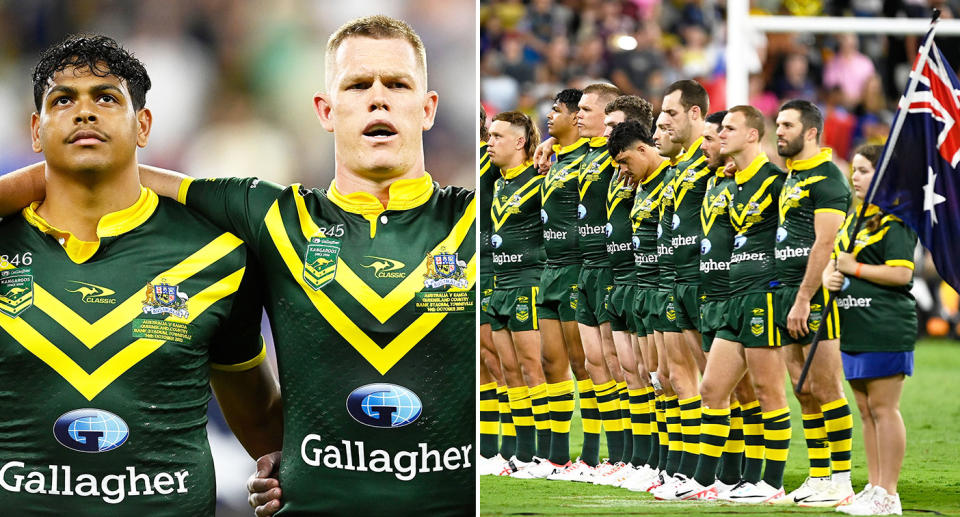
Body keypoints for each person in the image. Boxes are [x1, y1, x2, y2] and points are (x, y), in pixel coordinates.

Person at [2, 16, 476, 516]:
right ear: (325, 109)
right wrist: (60, 167)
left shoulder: (472, 216)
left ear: (428, 109)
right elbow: (139, 176)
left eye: (397, 84)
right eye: (358, 84)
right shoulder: (271, 215)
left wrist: (281, 462)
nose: (378, 98)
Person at [0, 34, 282, 515]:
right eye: (62, 99)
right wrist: (28, 183)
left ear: (143, 125)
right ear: (35, 129)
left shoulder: (217, 255)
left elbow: (266, 431)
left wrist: (281, 476)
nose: (84, 112)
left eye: (106, 98)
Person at [700, 105, 791, 504]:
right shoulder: (732, 182)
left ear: (753, 136)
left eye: (730, 129)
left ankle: (772, 482)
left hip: (763, 296)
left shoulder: (775, 181)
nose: (722, 134)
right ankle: (709, 480)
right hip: (733, 296)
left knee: (768, 390)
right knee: (711, 389)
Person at [773, 99, 855, 507]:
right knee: (802, 388)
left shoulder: (827, 178)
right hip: (787, 291)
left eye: (787, 125)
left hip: (815, 294)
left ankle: (841, 480)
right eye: (776, 124)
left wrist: (805, 298)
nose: (779, 131)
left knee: (825, 386)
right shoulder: (793, 175)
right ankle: (819, 476)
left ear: (810, 132)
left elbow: (825, 243)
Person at [827, 144, 916, 517]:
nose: (855, 177)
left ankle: (889, 494)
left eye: (864, 170)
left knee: (883, 407)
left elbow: (901, 274)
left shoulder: (896, 221)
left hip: (884, 324)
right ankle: (875, 486)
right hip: (854, 324)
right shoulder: (854, 219)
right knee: (864, 409)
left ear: (883, 176)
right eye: (856, 170)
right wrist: (830, 275)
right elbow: (837, 261)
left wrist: (852, 269)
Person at [514, 89, 592, 479]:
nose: (548, 115)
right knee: (551, 363)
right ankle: (558, 456)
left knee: (584, 364)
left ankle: (594, 456)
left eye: (556, 111)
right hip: (550, 269)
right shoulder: (555, 159)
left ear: (577, 117)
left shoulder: (592, 160)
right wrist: (548, 144)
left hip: (578, 270)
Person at [650, 79, 714, 501]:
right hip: (675, 280)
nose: (664, 123)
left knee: (719, 384)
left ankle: (739, 474)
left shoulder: (711, 159)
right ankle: (693, 470)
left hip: (707, 283)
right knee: (676, 377)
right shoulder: (678, 167)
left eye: (671, 114)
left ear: (695, 114)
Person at [592, 95, 657, 487]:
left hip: (647, 280)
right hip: (616, 278)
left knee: (656, 374)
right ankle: (637, 459)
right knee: (627, 370)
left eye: (612, 126)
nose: (605, 134)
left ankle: (659, 461)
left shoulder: (650, 170)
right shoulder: (615, 168)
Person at [607, 119, 671, 493]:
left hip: (669, 289)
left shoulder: (671, 179)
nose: (621, 170)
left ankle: (692, 467)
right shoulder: (641, 184)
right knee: (652, 377)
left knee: (672, 379)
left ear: (644, 149)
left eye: (624, 161)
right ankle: (659, 462)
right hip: (642, 289)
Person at [485, 111, 547, 475]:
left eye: (497, 136)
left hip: (528, 282)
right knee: (508, 370)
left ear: (520, 142)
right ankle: (522, 454)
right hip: (501, 283)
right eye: (489, 135)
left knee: (531, 366)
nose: (490, 142)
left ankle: (543, 450)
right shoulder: (501, 182)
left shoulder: (539, 181)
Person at [479, 107, 516, 475]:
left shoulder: (491, 162)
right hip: (465, 266)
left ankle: (508, 448)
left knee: (498, 357)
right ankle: (487, 448)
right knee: (481, 361)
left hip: (494, 264)